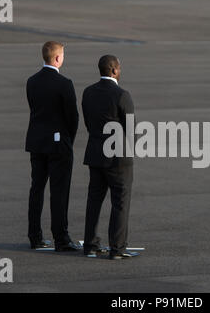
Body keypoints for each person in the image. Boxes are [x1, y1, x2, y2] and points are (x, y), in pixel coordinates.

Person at [81, 55, 138, 260]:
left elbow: (88, 123)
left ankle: (90, 245)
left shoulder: (88, 93)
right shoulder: (122, 95)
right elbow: (130, 129)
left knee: (94, 201)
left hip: (95, 153)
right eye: (119, 68)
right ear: (114, 70)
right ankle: (117, 248)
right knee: (120, 202)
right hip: (118, 158)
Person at [25, 41, 80, 251]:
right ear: (57, 58)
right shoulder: (64, 83)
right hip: (58, 146)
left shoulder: (31, 81)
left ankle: (35, 236)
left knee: (36, 189)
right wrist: (68, 139)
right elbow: (72, 117)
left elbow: (35, 110)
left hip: (36, 142)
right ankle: (61, 237)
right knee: (59, 191)